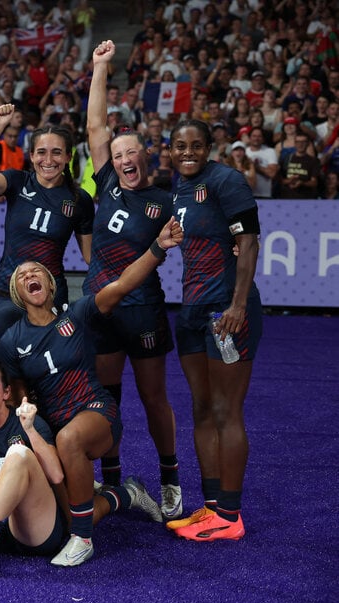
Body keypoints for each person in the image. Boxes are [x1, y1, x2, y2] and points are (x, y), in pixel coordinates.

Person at [0, 216, 183, 566]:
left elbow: (124, 284)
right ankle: (126, 495)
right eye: (21, 277)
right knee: (73, 513)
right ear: (17, 294)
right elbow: (20, 397)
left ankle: (83, 541)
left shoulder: (78, 314)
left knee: (69, 442)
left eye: (35, 272)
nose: (29, 277)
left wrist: (158, 247)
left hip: (98, 412)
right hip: (57, 428)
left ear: (50, 285)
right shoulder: (11, 342)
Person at [0, 361, 163, 590]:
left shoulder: (26, 421)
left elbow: (56, 475)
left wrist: (30, 430)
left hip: (34, 530)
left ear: (5, 393)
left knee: (19, 453)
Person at [85, 40, 182, 519]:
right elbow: (96, 125)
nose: (122, 158)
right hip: (101, 308)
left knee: (153, 397)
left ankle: (170, 481)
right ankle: (114, 484)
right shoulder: (105, 182)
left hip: (144, 307)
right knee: (108, 399)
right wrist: (101, 68)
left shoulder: (164, 201)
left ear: (144, 157)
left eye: (130, 152)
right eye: (116, 153)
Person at [166, 118, 262, 542]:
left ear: (209, 148)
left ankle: (231, 514)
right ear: (169, 150)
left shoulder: (227, 180)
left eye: (197, 145)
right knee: (202, 409)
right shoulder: (179, 188)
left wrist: (238, 304)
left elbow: (251, 242)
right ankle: (210, 509)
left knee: (226, 411)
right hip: (190, 311)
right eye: (180, 146)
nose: (188, 152)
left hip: (226, 312)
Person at [0, 105, 94, 310]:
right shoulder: (17, 181)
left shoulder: (79, 199)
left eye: (56, 153)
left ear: (68, 157)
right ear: (32, 155)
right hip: (6, 290)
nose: (48, 160)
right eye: (41, 152)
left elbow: (90, 257)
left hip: (50, 295)